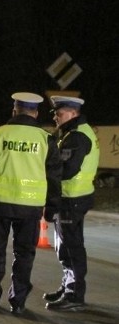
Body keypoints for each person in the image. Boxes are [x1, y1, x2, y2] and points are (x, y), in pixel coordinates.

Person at [0, 92, 62, 314]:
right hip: (29, 207)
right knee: (25, 254)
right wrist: (52, 207)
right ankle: (18, 302)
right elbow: (53, 176)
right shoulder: (45, 140)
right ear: (36, 113)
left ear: (14, 111)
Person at [43, 96, 100, 311]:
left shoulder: (76, 137)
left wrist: (46, 169)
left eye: (60, 113)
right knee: (65, 246)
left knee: (71, 247)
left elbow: (66, 170)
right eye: (55, 113)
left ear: (73, 113)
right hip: (72, 198)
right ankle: (69, 286)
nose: (56, 117)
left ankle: (74, 294)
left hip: (72, 199)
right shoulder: (74, 133)